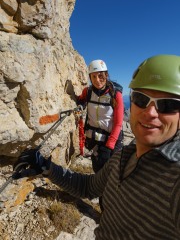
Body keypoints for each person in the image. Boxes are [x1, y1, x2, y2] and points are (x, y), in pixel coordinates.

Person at [13, 54, 180, 239]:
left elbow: (117, 123)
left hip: (110, 141)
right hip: (97, 142)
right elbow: (88, 187)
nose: (150, 112)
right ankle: (106, 208)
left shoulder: (174, 176)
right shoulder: (124, 158)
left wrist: (109, 146)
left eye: (168, 104)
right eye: (141, 99)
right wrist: (46, 168)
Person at [76, 59, 124, 173]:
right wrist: (80, 104)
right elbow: (81, 100)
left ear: (106, 75)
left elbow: (118, 124)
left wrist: (109, 147)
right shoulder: (87, 92)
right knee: (97, 169)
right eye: (93, 77)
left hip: (112, 139)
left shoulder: (115, 95)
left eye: (100, 76)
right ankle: (98, 190)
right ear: (90, 78)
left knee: (113, 171)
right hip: (95, 139)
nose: (97, 80)